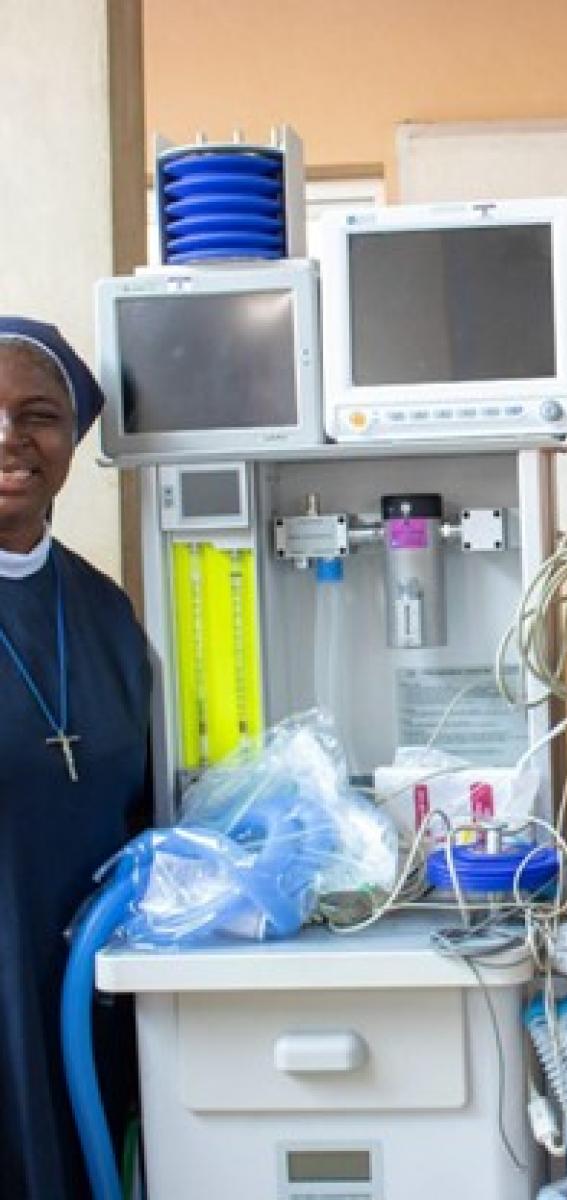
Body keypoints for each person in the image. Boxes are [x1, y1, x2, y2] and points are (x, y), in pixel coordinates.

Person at [0, 317, 151, 1197]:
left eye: (39, 414)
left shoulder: (104, 610)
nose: (11, 438)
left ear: (73, 437)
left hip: (85, 993)